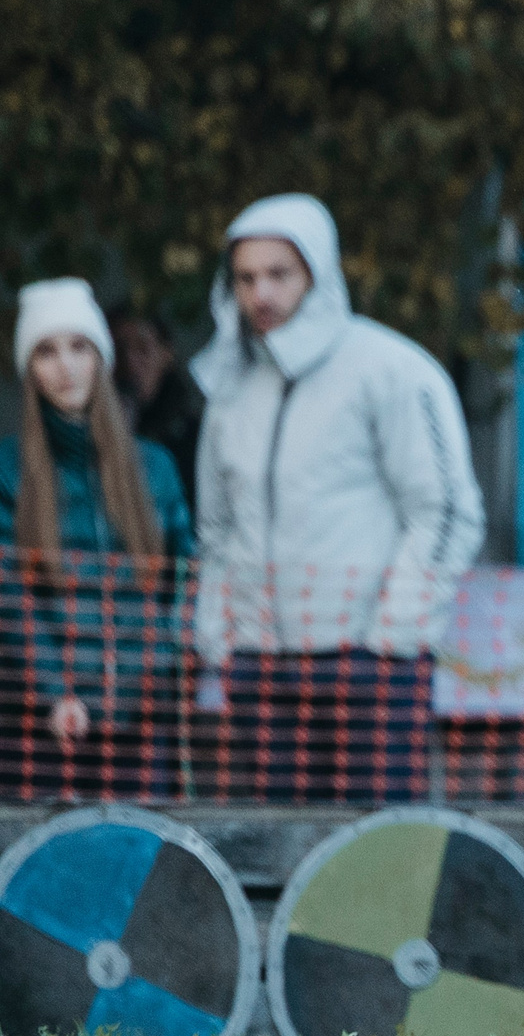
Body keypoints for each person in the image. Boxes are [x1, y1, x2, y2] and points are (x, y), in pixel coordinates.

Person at [191, 195, 484, 802]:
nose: (261, 295)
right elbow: (216, 531)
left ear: (318, 272)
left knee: (376, 868)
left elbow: (449, 510)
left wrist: (391, 639)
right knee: (275, 865)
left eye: (279, 274)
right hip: (262, 670)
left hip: (370, 668)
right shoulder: (230, 391)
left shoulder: (393, 370)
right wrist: (223, 640)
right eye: (246, 278)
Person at [1, 279, 193, 796]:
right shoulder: (8, 470)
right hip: (43, 725)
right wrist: (56, 694)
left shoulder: (155, 468)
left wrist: (141, 678)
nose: (65, 366)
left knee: (143, 862)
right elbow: (11, 600)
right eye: (46, 351)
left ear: (100, 359)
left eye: (79, 347)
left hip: (142, 719)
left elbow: (182, 583)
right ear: (29, 370)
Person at [108, 305, 206, 514]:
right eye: (119, 350)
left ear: (166, 353)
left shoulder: (194, 437)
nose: (130, 363)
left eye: (143, 349)